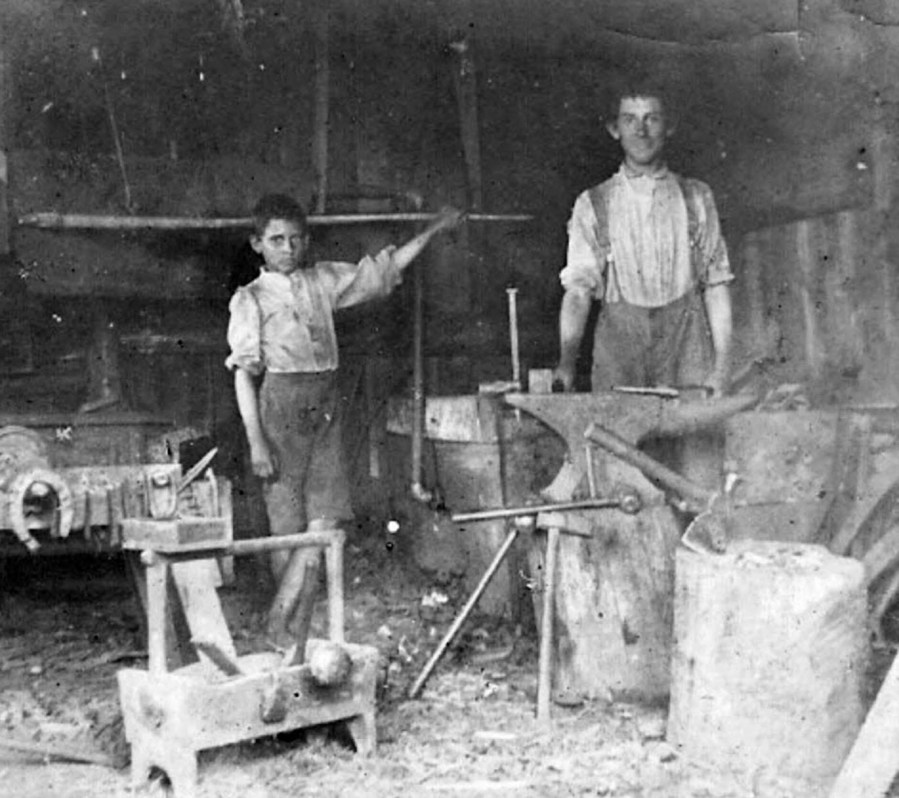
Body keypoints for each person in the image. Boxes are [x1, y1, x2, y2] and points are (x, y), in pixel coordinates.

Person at [226, 194, 461, 643]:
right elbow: (243, 375)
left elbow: (380, 273)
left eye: (296, 239)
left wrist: (432, 232)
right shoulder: (250, 299)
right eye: (277, 240)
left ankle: (282, 621)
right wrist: (257, 443)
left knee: (327, 518)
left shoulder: (323, 280)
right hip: (280, 410)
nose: (288, 248)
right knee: (287, 525)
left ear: (307, 241)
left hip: (326, 405)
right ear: (257, 244)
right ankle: (290, 634)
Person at [553, 80, 734, 398]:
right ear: (614, 129)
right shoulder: (594, 203)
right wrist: (567, 362)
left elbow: (716, 285)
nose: (641, 131)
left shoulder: (696, 197)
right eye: (629, 119)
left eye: (652, 118)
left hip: (687, 353)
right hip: (620, 356)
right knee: (615, 443)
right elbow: (579, 293)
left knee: (696, 444)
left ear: (669, 126)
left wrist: (722, 367)